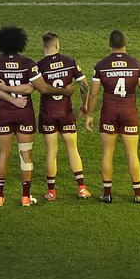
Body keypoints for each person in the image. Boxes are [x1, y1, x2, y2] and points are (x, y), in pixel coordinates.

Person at [0, 26, 61, 207]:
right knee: (25, 155)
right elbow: (31, 88)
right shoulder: (29, 63)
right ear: (20, 43)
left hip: (4, 115)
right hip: (25, 114)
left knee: (3, 156)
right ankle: (25, 197)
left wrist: (6, 92)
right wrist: (15, 98)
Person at [84, 29, 140, 203]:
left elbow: (94, 94)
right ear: (125, 44)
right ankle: (138, 194)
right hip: (129, 112)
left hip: (109, 112)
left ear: (109, 45)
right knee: (132, 153)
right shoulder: (137, 65)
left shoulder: (101, 65)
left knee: (107, 153)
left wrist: (89, 115)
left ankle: (107, 193)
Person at [35, 31, 91, 200]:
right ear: (57, 45)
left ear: (44, 46)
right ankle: (81, 188)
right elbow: (84, 85)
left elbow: (36, 87)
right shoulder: (69, 61)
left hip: (47, 113)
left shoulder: (38, 66)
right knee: (73, 149)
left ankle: (51, 191)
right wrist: (84, 105)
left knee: (51, 151)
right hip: (66, 113)